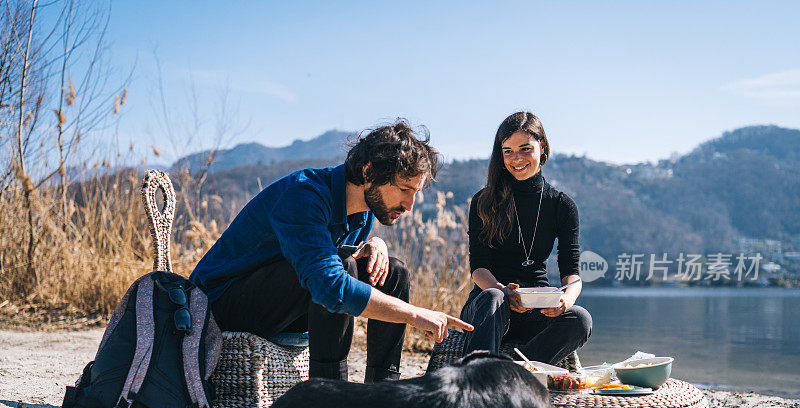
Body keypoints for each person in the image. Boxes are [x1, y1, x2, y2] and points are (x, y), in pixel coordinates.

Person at [190, 120, 472, 382]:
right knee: (340, 272)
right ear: (368, 171)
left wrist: (374, 244)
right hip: (219, 306)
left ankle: (383, 393)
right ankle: (328, 394)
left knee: (393, 271)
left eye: (416, 193)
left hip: (283, 303)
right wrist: (413, 313)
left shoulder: (363, 213)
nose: (410, 205)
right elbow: (330, 286)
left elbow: (323, 257)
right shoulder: (303, 196)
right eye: (403, 189)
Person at [459, 112, 591, 366]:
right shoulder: (483, 201)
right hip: (488, 306)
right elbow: (478, 268)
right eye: (507, 151)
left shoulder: (562, 206)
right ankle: (477, 377)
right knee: (493, 299)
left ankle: (516, 370)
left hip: (537, 308)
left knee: (580, 319)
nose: (516, 159)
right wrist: (501, 290)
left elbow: (572, 274)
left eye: (524, 149)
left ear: (542, 148)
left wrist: (566, 300)